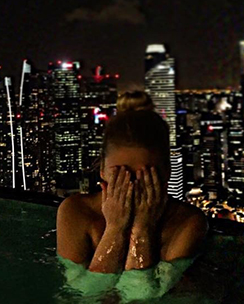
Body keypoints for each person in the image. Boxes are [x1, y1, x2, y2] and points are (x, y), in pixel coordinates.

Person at [56, 91, 209, 302]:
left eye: (145, 175)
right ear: (101, 169)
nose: (131, 184)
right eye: (120, 173)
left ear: (167, 172)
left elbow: (140, 297)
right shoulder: (75, 212)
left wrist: (142, 228)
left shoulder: (188, 222)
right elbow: (82, 295)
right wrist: (115, 228)